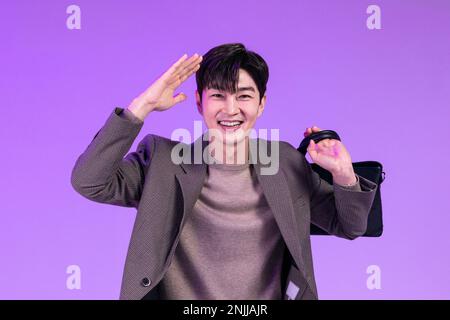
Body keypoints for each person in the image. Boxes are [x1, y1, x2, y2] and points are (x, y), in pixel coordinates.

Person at [71, 43, 378, 300]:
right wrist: (141, 107)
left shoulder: (285, 162)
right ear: (198, 102)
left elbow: (349, 226)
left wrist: (343, 174)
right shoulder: (162, 161)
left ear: (261, 104)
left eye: (243, 96)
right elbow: (90, 181)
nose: (231, 109)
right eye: (218, 95)